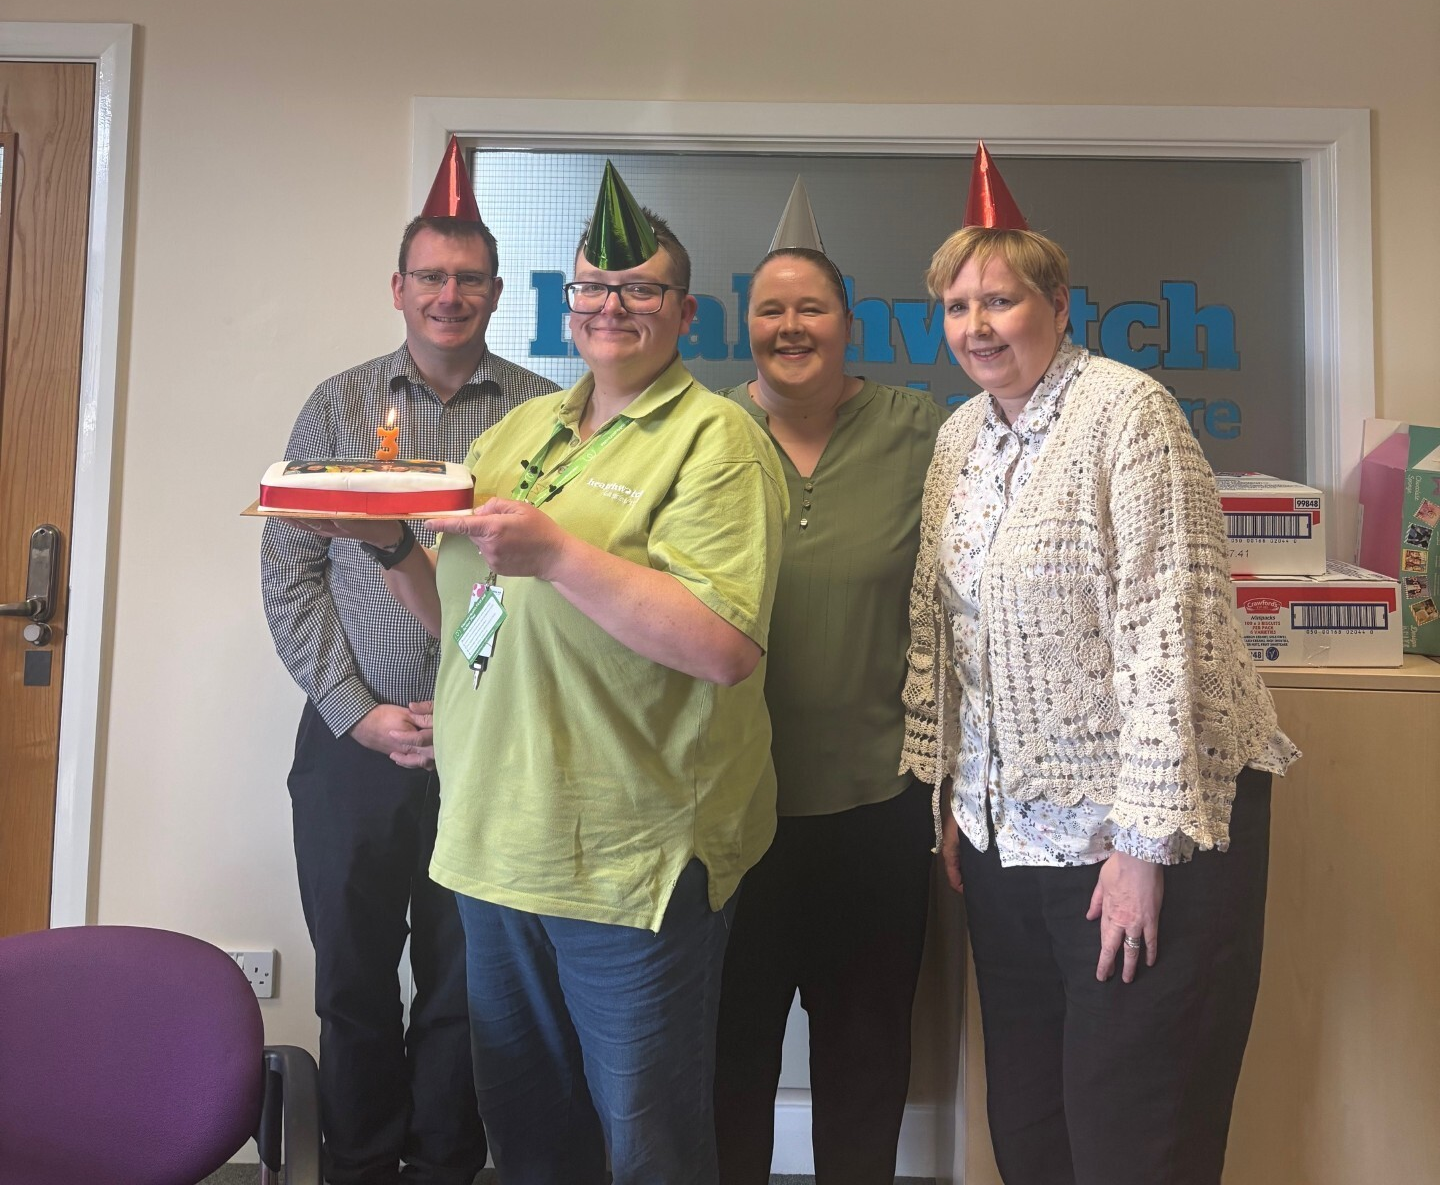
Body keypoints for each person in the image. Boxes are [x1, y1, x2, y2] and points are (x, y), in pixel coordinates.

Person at [321, 162, 788, 1185]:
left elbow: (722, 644)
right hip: (497, 836)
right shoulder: (517, 433)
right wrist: (388, 548)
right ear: (564, 303)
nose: (610, 306)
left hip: (632, 855)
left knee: (646, 1140)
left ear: (683, 310)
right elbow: (474, 617)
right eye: (591, 288)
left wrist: (562, 555)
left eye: (638, 289)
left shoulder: (718, 443)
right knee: (531, 1137)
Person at [899, 143, 1299, 1185]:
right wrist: (955, 790)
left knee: (1135, 1127)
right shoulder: (957, 440)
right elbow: (951, 632)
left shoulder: (1130, 413)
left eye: (1000, 300)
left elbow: (1173, 632)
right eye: (956, 306)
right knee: (1030, 1119)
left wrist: (1143, 848)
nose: (977, 327)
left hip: (1146, 833)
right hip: (1007, 838)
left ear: (1058, 303)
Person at [260, 138, 557, 1185]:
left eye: (469, 278)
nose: (449, 294)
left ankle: (443, 1166)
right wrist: (356, 711)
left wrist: (465, 702)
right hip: (353, 741)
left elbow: (528, 586)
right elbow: (289, 574)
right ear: (399, 287)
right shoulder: (337, 408)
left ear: (496, 291)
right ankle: (358, 1161)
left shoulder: (540, 413)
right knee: (349, 978)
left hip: (486, 747)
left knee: (464, 983)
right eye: (430, 275)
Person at [710, 180, 941, 1185]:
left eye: (811, 308)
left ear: (851, 324)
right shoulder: (704, 435)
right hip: (727, 810)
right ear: (744, 326)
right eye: (770, 309)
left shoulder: (922, 433)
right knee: (726, 1062)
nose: (790, 326)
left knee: (864, 1062)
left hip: (877, 807)